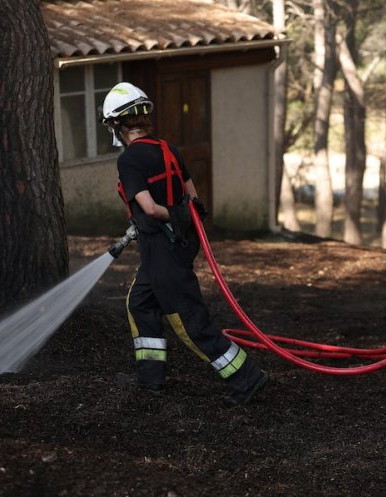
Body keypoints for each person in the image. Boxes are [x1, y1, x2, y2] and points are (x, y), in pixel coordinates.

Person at [100, 82, 268, 406]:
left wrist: (168, 217)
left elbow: (149, 208)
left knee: (188, 322)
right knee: (140, 303)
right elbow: (192, 196)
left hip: (162, 249)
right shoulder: (168, 148)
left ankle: (245, 377)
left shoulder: (130, 160)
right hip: (171, 248)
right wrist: (179, 216)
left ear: (117, 124)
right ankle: (150, 379)